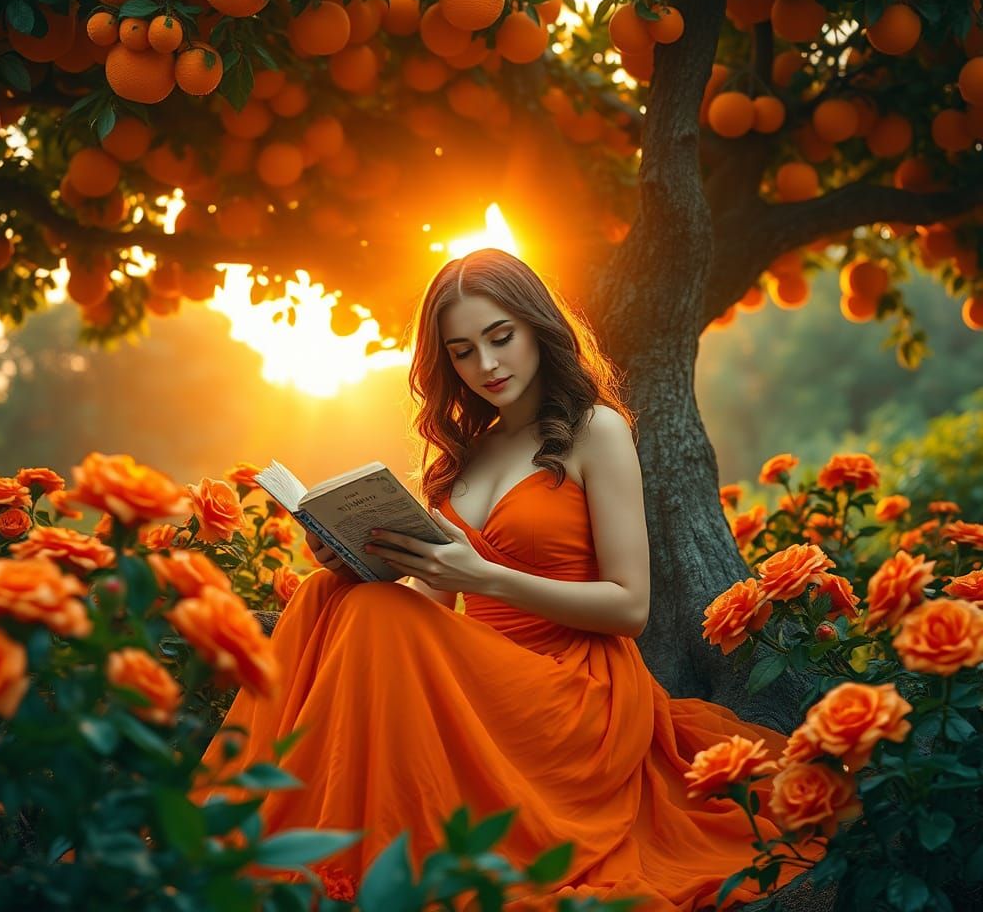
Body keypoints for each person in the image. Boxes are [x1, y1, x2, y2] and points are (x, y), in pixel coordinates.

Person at [190, 248, 824, 911]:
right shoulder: (465, 453)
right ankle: (275, 839)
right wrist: (356, 564)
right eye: (463, 352)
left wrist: (487, 578)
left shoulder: (595, 431)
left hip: (578, 693)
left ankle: (339, 856)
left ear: (536, 328)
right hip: (487, 680)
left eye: (501, 338)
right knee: (331, 595)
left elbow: (630, 606)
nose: (487, 365)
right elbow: (431, 601)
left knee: (373, 613)